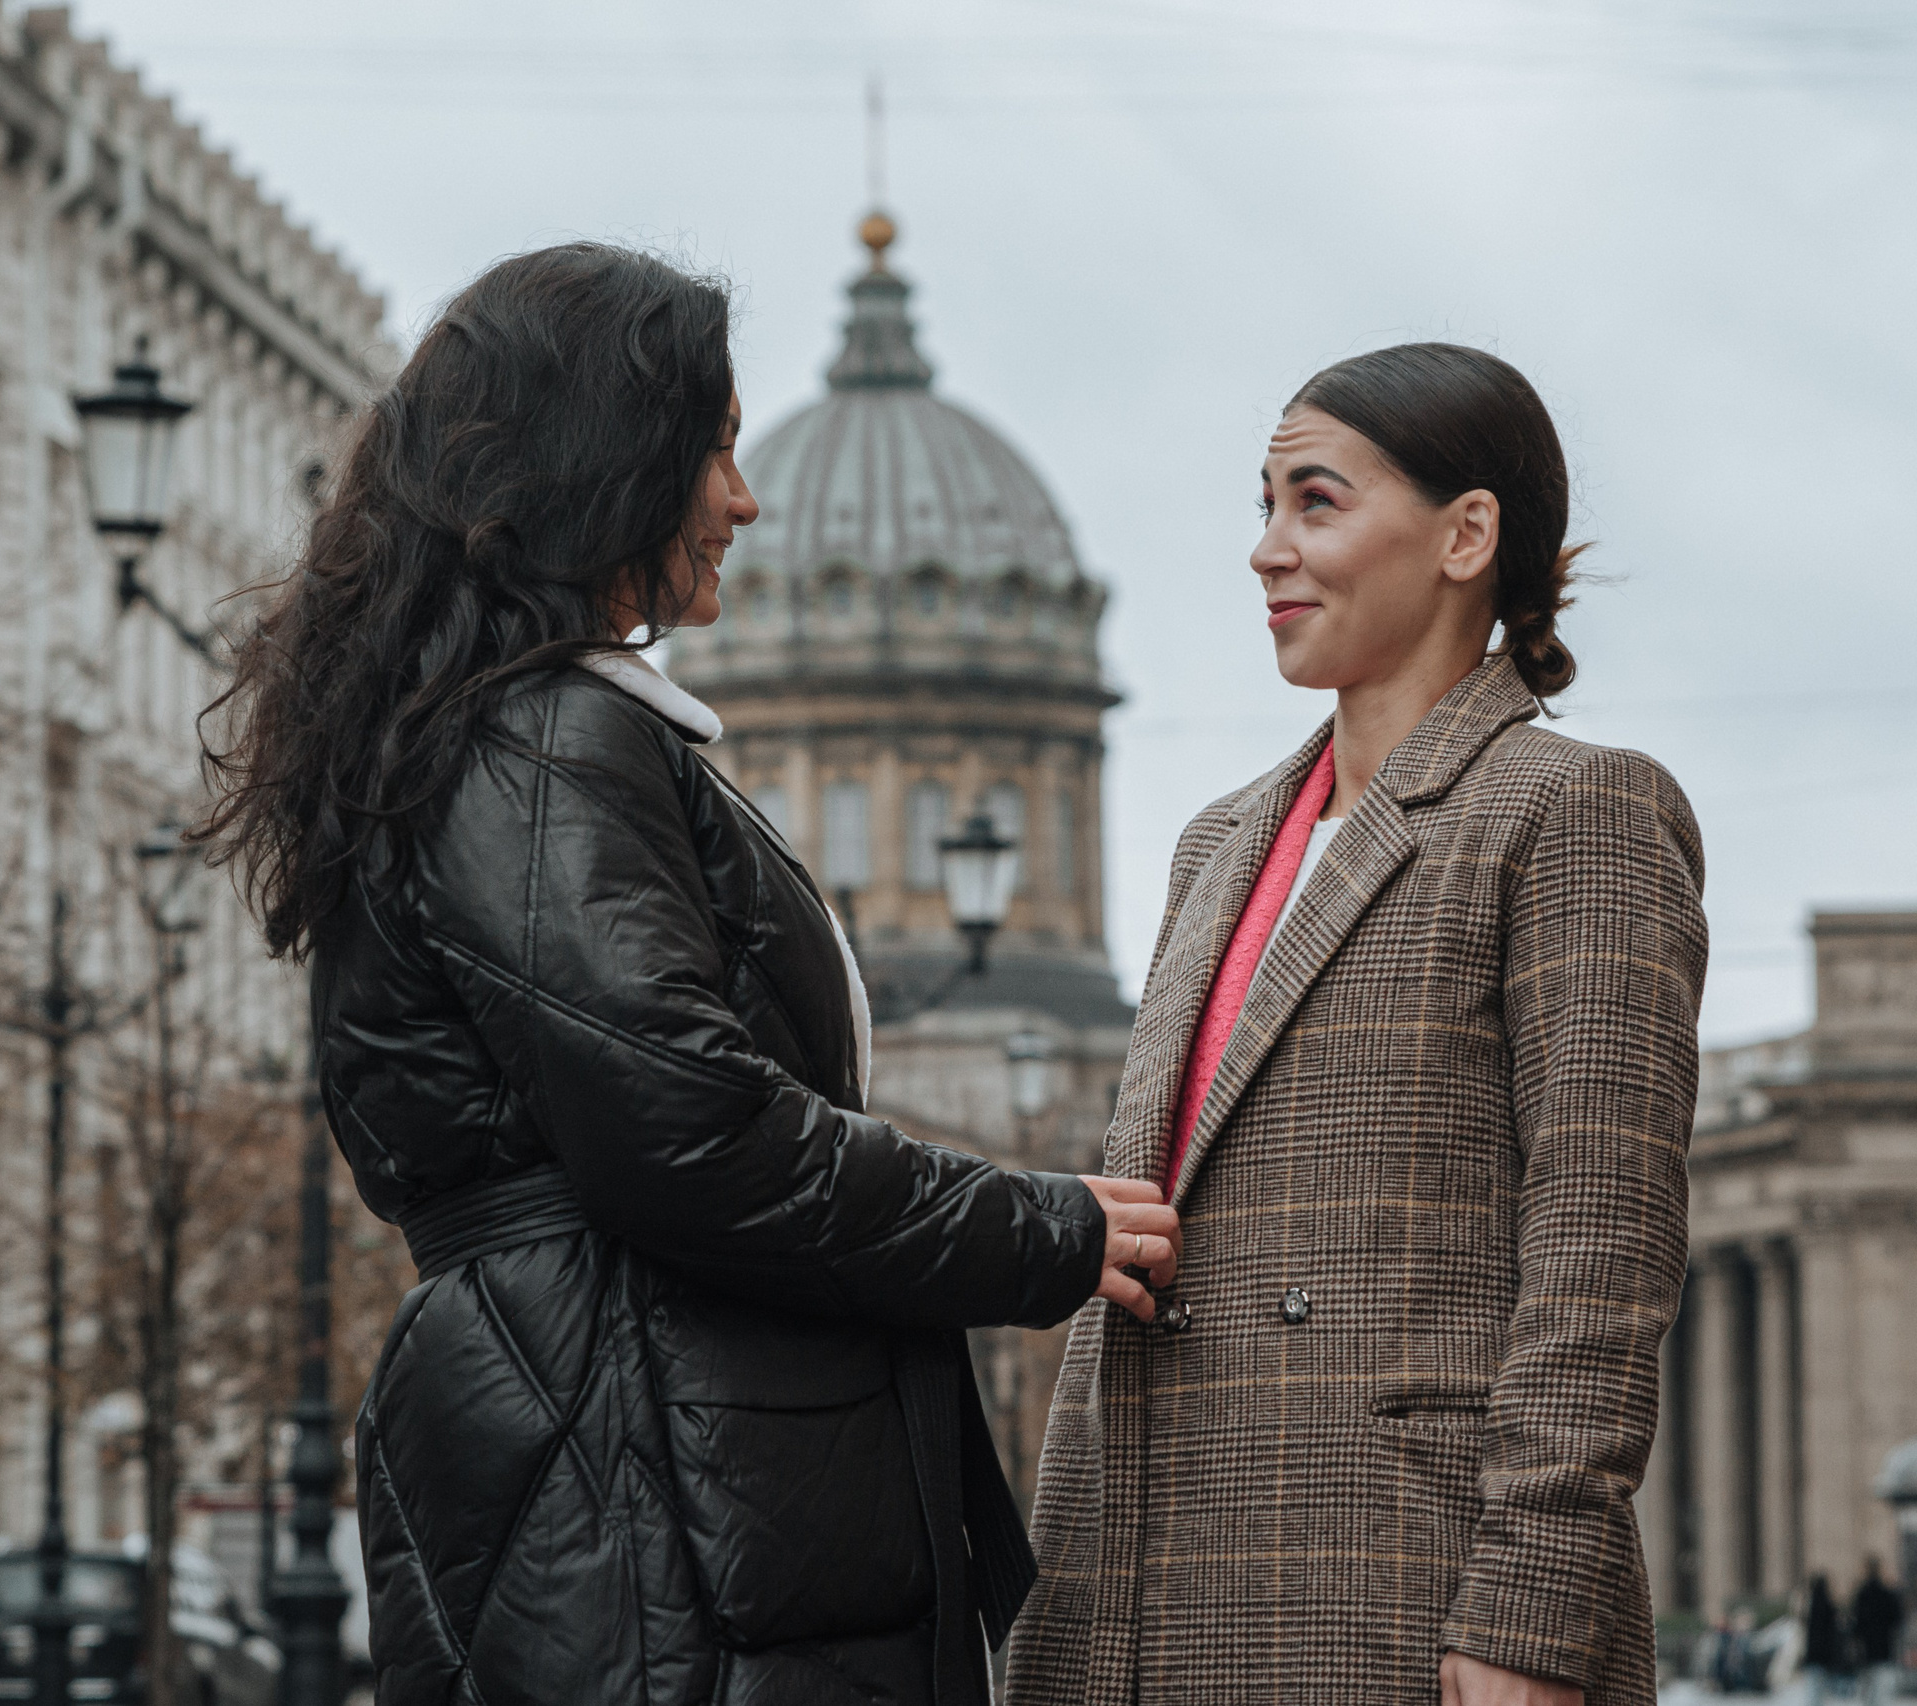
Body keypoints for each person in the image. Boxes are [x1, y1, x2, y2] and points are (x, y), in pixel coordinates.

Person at [194, 244, 1182, 1706]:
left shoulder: (510, 730)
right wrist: (1029, 1227)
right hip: (653, 1468)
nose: (746, 495)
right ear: (607, 460)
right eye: (713, 447)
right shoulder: (544, 740)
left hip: (613, 1441)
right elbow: (688, 1127)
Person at [1004, 343, 1707, 1705]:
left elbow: (1601, 1248)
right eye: (1262, 505)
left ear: (1466, 533)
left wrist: (1530, 1616)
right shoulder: (1217, 842)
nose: (1269, 549)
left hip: (1398, 1581)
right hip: (1140, 1574)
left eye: (1314, 503)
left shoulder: (1576, 809)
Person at [1851, 1556, 1904, 1703]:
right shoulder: (1887, 1593)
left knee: (1869, 1691)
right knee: (1880, 1689)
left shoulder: (1862, 1594)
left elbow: (1856, 1622)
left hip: (1867, 1648)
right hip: (1883, 1646)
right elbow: (1897, 1619)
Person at [1803, 1573, 1851, 1702]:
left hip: (1814, 1655)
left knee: (1814, 1692)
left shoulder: (1812, 1605)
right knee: (1819, 1692)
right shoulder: (1829, 1606)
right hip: (1824, 1656)